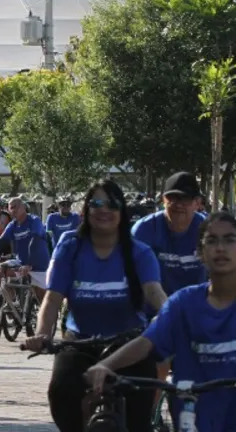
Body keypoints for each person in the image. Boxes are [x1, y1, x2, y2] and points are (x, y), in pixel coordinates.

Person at [23, 179, 166, 432]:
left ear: (122, 212)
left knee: (140, 410)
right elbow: (52, 298)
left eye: (112, 204)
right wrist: (42, 335)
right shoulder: (69, 246)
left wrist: (172, 319)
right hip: (79, 342)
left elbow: (154, 292)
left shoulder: (139, 251)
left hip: (129, 344)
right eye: (96, 203)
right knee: (62, 393)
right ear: (85, 210)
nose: (104, 210)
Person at [86, 212, 236, 430]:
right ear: (200, 253)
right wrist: (105, 365)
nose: (221, 248)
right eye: (212, 240)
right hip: (192, 419)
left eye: (230, 239)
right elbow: (147, 342)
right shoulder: (182, 304)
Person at [132, 171, 207, 298]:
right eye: (172, 198)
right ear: (163, 200)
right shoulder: (143, 230)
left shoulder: (208, 229)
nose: (178, 204)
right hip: (154, 311)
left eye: (185, 199)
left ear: (197, 203)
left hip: (198, 311)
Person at [0, 196, 50, 301]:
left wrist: (29, 264)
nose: (13, 210)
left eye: (16, 207)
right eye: (10, 208)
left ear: (23, 207)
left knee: (43, 301)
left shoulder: (34, 220)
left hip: (39, 266)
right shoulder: (12, 225)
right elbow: (0, 241)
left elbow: (35, 241)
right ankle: (11, 304)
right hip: (20, 263)